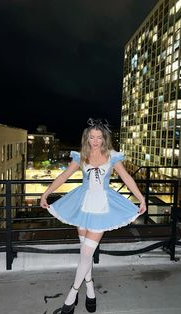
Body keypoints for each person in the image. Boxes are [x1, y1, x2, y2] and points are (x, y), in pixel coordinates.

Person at [40, 118, 147, 314]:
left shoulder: (112, 156)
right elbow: (64, 176)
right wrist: (46, 193)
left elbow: (127, 177)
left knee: (86, 254)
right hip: (82, 203)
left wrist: (141, 198)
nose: (95, 141)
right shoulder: (81, 155)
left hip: (102, 206)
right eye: (92, 137)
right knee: (84, 253)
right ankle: (89, 289)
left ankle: (71, 296)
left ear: (104, 138)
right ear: (87, 138)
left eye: (99, 137)